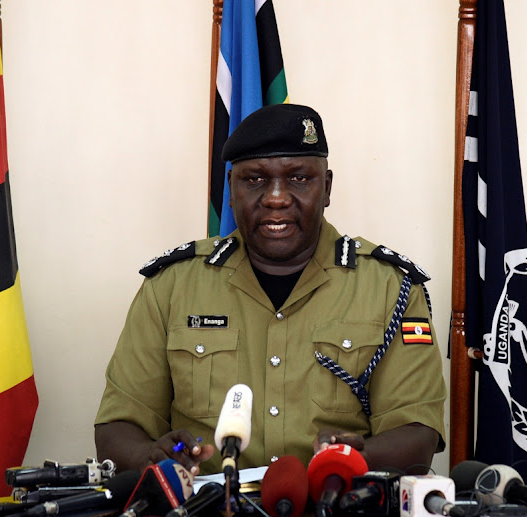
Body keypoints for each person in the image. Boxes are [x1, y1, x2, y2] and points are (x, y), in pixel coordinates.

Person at [94, 104, 446, 477]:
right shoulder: (171, 286)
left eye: (298, 179)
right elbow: (117, 428)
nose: (276, 198)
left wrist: (344, 461)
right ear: (231, 189)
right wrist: (150, 457)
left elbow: (416, 434)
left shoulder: (390, 288)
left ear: (326, 188)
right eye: (255, 180)